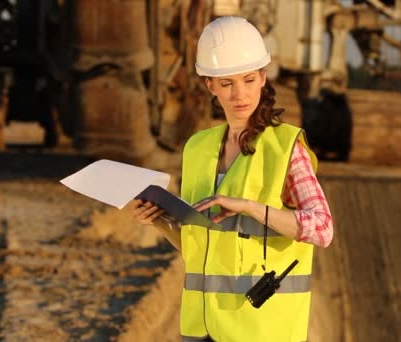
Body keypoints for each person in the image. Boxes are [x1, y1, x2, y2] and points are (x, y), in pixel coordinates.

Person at [133, 16, 333, 342]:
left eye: (249, 80)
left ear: (263, 78)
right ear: (210, 85)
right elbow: (200, 251)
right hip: (203, 327)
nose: (240, 94)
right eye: (227, 83)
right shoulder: (198, 149)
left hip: (261, 329)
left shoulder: (284, 148)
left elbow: (323, 229)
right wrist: (158, 221)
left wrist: (249, 207)